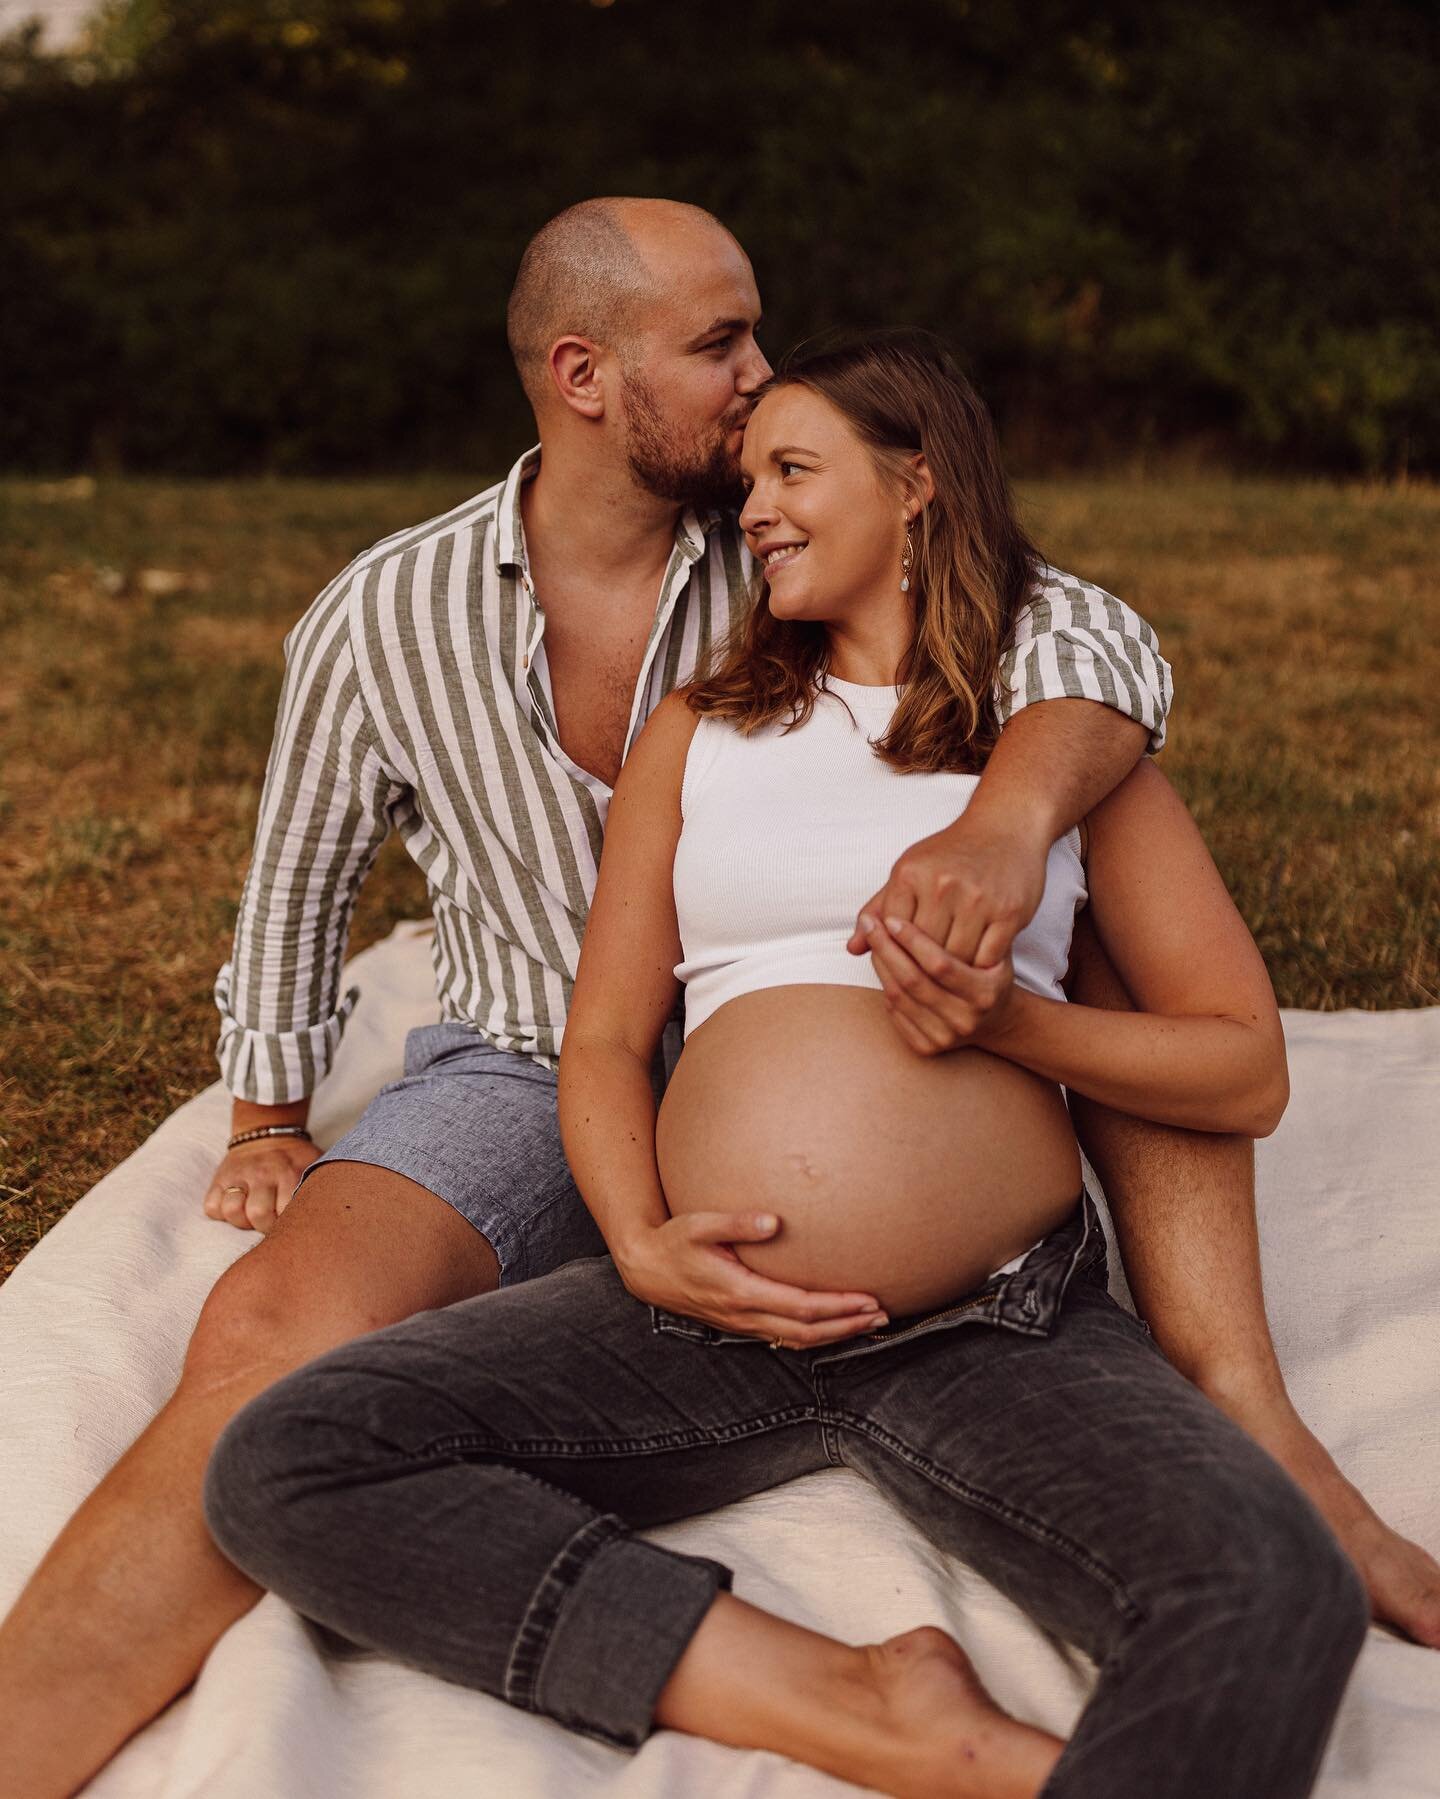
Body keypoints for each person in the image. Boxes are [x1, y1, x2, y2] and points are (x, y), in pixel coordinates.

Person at [0, 200, 1433, 1799]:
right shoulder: (520, 655)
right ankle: (847, 1703)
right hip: (612, 1169)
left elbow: (1081, 640)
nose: (754, 403)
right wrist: (287, 1112)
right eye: (721, 350)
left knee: (1257, 1575)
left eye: (782, 418)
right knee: (280, 1404)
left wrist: (1008, 844)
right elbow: (359, 912)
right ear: (582, 372)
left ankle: (1246, 1409)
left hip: (982, 1299)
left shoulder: (968, 660)